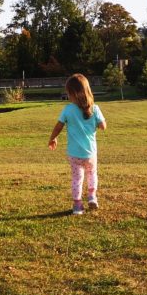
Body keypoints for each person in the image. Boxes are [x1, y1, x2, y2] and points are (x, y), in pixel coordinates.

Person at [48, 73, 106, 215]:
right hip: (90, 154)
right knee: (92, 174)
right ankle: (92, 196)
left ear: (72, 93)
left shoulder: (67, 109)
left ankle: (77, 205)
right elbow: (103, 126)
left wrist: (53, 138)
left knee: (77, 178)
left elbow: (58, 126)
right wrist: (98, 123)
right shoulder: (95, 109)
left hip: (74, 154)